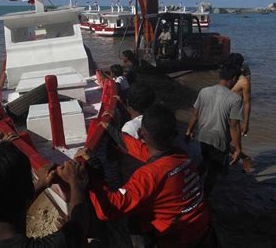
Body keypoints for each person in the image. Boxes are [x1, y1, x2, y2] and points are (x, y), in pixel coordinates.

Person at [77, 105, 211, 247]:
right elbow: (142, 150)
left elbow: (109, 209)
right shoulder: (181, 156)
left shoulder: (149, 175)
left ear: (141, 134)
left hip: (178, 238)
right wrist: (113, 132)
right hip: (202, 227)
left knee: (133, 220)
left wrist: (95, 170)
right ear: (174, 135)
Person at [0, 141, 89, 248]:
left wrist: (41, 183)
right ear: (28, 191)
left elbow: (6, 209)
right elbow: (78, 226)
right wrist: (75, 181)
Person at [186, 64, 243, 196]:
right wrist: (238, 148)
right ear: (233, 79)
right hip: (219, 140)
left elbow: (195, 114)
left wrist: (189, 131)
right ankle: (204, 198)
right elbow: (234, 126)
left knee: (206, 161)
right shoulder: (235, 99)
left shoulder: (204, 91)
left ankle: (190, 184)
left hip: (203, 136)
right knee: (213, 172)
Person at [227, 53, 253, 172]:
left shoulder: (244, 81)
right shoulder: (227, 76)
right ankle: (243, 158)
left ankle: (245, 161)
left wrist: (246, 122)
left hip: (235, 113)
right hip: (224, 111)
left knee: (236, 141)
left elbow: (247, 102)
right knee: (223, 141)